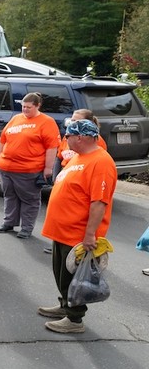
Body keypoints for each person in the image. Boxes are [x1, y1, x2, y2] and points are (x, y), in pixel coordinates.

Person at [38, 119, 116, 333]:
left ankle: (74, 319)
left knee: (73, 276)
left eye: (68, 136)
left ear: (80, 137)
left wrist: (90, 234)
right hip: (62, 230)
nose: (66, 139)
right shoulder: (79, 157)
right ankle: (65, 305)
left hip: (77, 234)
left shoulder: (101, 162)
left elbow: (99, 202)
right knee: (61, 273)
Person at [0, 92, 60, 239]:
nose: (24, 110)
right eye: (23, 106)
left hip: (28, 169)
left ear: (38, 106)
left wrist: (48, 168)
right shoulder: (16, 118)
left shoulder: (46, 122)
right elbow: (3, 139)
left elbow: (52, 147)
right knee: (9, 195)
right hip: (7, 167)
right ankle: (9, 222)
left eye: (28, 107)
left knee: (29, 199)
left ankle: (26, 228)